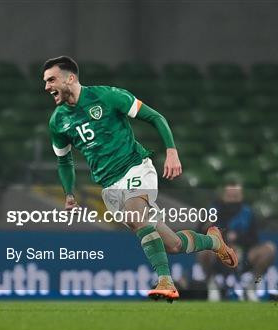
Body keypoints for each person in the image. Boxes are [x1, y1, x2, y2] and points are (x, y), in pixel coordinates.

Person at [43, 56, 238, 302]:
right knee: (173, 244)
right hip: (109, 187)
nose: (47, 87)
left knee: (135, 213)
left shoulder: (108, 96)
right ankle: (213, 241)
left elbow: (156, 117)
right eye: (45, 81)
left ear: (70, 78)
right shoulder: (57, 121)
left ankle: (165, 281)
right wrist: (69, 193)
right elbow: (64, 160)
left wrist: (171, 151)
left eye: (51, 80)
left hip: (136, 168)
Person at [197, 179, 276, 301]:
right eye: (230, 196)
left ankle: (251, 285)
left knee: (269, 249)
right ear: (223, 196)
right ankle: (212, 284)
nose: (233, 199)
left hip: (243, 253)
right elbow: (200, 234)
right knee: (202, 251)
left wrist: (238, 239)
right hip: (219, 253)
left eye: (236, 196)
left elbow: (254, 238)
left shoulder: (248, 212)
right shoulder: (213, 211)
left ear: (241, 196)